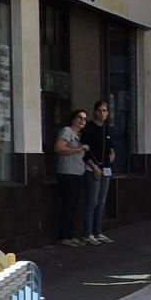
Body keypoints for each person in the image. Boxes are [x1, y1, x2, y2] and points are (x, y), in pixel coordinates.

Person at [80, 97, 116, 244]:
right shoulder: (88, 128)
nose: (102, 113)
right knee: (92, 201)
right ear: (95, 112)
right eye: (100, 110)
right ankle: (88, 234)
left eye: (105, 110)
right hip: (92, 169)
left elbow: (112, 150)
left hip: (106, 169)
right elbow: (85, 152)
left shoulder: (107, 130)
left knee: (101, 201)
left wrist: (110, 159)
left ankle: (98, 232)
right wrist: (95, 167)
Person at [52, 108, 89, 247]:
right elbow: (59, 148)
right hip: (67, 173)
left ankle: (70, 235)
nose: (82, 120)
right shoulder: (67, 131)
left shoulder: (79, 136)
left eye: (84, 119)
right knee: (67, 205)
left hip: (77, 173)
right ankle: (64, 236)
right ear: (73, 118)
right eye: (79, 117)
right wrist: (79, 149)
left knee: (73, 206)